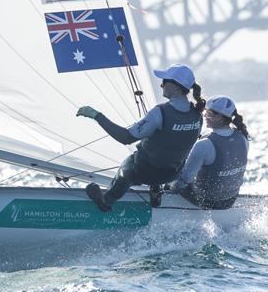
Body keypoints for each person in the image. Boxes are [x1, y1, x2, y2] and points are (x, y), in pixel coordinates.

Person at [76, 64, 205, 212]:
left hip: (144, 172)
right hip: (172, 174)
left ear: (176, 87)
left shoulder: (160, 112)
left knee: (127, 170)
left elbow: (126, 138)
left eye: (165, 81)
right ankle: (156, 192)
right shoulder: (197, 114)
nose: (161, 84)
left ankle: (106, 201)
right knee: (164, 152)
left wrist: (96, 116)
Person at [170, 95, 249, 210]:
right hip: (230, 199)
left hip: (207, 201)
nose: (205, 116)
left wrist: (171, 186)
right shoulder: (243, 137)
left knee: (173, 178)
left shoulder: (203, 145)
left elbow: (184, 181)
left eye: (208, 113)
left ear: (220, 117)